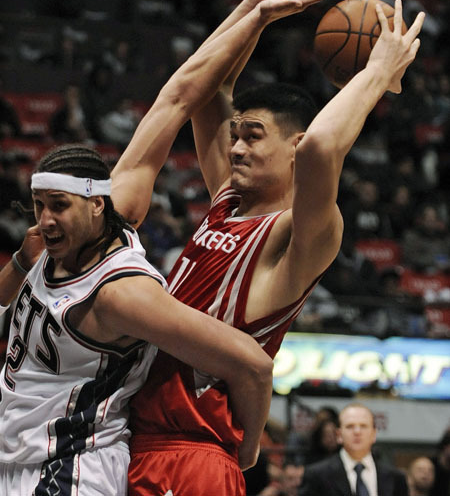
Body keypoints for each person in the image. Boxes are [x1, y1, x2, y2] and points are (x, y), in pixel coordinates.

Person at [115, 0, 424, 496]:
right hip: (132, 445)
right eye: (235, 136)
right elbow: (211, 86)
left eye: (253, 137)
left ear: (291, 144)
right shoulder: (225, 200)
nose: (235, 149)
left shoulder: (298, 239)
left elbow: (321, 149)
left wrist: (378, 72)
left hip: (197, 458)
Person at [0, 144, 273, 495]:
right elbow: (174, 102)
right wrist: (22, 262)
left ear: (96, 204)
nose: (45, 219)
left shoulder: (122, 294)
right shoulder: (52, 247)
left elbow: (254, 364)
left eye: (58, 205)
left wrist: (248, 446)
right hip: (19, 452)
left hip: (70, 466)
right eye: (39, 205)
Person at [298, 403, 409, 495]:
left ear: (374, 434)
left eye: (363, 426)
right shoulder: (316, 475)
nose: (357, 432)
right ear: (339, 435)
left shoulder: (396, 478)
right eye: (350, 426)